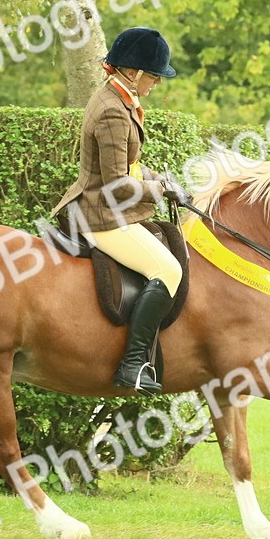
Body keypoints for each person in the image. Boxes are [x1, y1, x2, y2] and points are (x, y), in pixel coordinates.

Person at [50, 27, 190, 395]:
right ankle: (134, 364)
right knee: (167, 268)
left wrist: (161, 178)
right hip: (102, 213)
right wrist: (157, 190)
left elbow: (128, 167)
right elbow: (115, 184)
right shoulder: (113, 111)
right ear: (133, 72)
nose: (158, 81)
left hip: (104, 204)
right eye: (154, 74)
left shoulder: (118, 99)